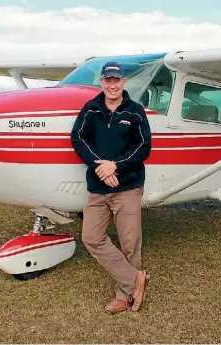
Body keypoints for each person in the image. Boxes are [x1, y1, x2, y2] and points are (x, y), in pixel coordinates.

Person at [70, 61, 152, 313]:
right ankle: (134, 280)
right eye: (108, 80)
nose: (112, 84)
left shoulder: (135, 111)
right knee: (91, 238)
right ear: (102, 82)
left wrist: (115, 166)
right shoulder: (91, 108)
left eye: (117, 80)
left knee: (130, 242)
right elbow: (78, 138)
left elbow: (142, 147)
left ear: (123, 82)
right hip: (98, 186)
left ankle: (124, 295)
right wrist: (101, 168)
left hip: (127, 185)